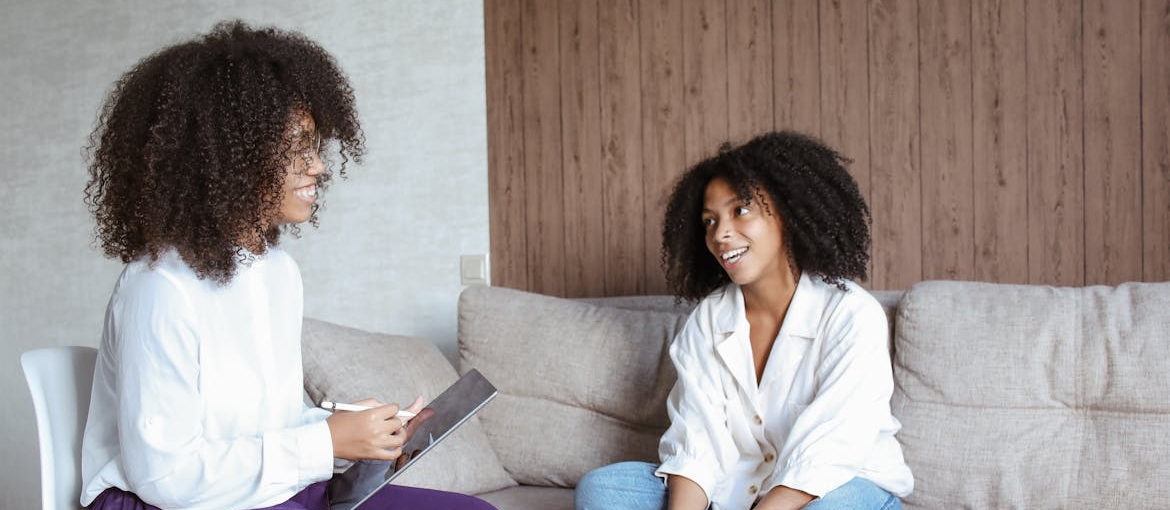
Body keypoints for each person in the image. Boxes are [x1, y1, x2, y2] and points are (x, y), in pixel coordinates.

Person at [80, 21, 496, 510]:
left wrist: (348, 432)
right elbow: (167, 477)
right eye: (295, 148)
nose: (317, 166)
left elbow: (260, 428)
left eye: (315, 145)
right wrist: (325, 444)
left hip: (253, 491)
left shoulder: (277, 272)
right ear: (228, 159)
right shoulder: (159, 288)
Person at [574, 131, 914, 510]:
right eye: (709, 221)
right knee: (603, 489)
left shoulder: (850, 315)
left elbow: (829, 453)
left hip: (840, 489)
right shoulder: (709, 319)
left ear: (788, 212)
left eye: (740, 210)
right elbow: (697, 444)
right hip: (739, 489)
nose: (720, 234)